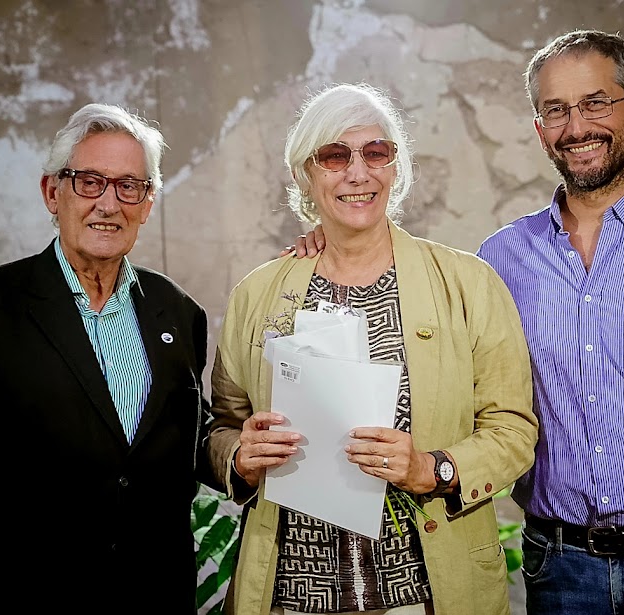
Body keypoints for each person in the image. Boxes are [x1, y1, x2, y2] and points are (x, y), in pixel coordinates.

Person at [290, 30, 624, 615]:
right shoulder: (500, 259)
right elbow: (444, 374)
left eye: (596, 103)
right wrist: (335, 241)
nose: (577, 126)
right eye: (557, 110)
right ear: (541, 130)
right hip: (560, 570)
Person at [207, 83, 538, 615]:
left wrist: (432, 468)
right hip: (290, 597)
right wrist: (242, 457)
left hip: (425, 597)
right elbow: (223, 425)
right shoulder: (257, 295)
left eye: (376, 152)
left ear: (395, 166)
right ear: (305, 173)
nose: (358, 173)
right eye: (335, 156)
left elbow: (513, 428)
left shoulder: (468, 284)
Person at [0, 103, 214, 615]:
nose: (109, 204)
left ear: (147, 204)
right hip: (27, 596)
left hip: (155, 596)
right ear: (53, 192)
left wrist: (241, 453)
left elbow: (188, 439)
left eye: (129, 186)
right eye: (89, 182)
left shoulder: (180, 311)